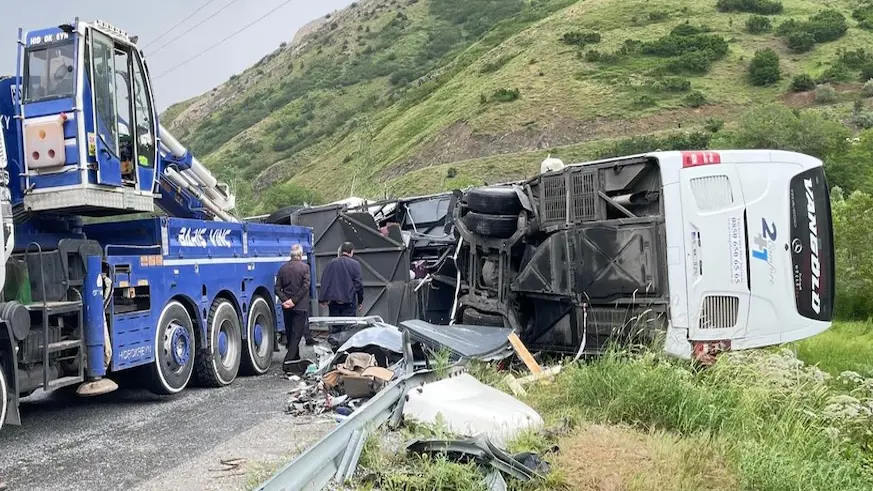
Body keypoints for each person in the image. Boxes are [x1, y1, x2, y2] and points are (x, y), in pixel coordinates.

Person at [275, 244, 311, 373]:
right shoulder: (305, 268)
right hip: (300, 307)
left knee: (290, 334)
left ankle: (295, 357)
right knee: (296, 335)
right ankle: (288, 361)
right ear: (300, 255)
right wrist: (294, 301)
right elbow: (305, 286)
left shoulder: (283, 268)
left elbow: (277, 288)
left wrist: (285, 300)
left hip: (287, 307)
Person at [319, 242, 364, 321]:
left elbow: (325, 281)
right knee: (349, 325)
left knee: (335, 324)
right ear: (351, 251)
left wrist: (323, 299)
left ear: (341, 251)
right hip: (349, 302)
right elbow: (359, 284)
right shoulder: (355, 264)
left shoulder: (331, 263)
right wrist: (360, 301)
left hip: (333, 302)